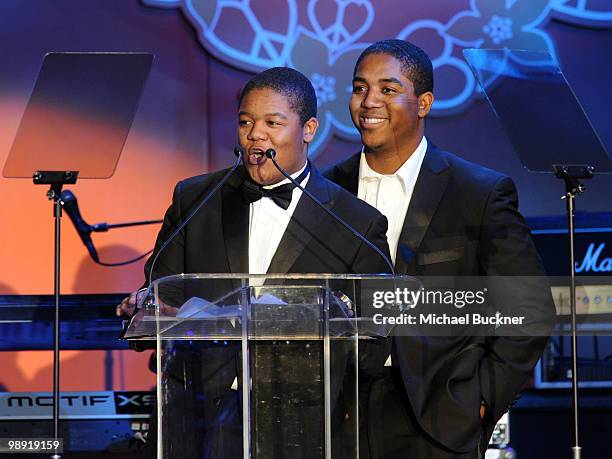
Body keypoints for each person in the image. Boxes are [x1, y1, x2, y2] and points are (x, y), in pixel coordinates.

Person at [117, 66, 392, 458]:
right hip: (197, 415)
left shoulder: (354, 222)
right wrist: (151, 307)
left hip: (301, 423)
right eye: (245, 122)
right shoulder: (195, 200)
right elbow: (165, 287)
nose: (255, 134)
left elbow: (373, 331)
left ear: (308, 128)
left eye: (272, 123)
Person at [325, 40, 556, 458]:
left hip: (440, 418)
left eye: (388, 90)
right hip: (341, 419)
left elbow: (530, 310)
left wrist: (480, 401)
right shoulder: (325, 191)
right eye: (360, 88)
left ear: (424, 103)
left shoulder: (478, 192)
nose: (369, 101)